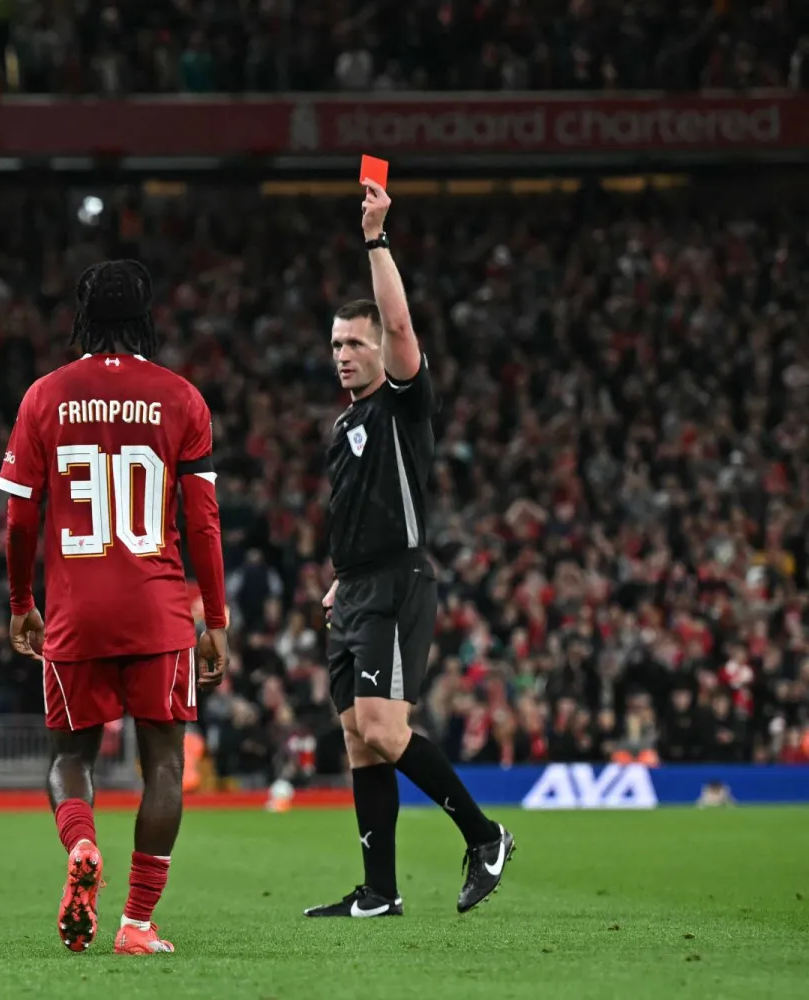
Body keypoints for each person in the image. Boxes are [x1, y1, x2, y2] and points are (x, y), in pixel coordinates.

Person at [0, 259, 229, 955]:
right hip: (158, 610)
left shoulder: (45, 396)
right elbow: (204, 522)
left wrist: (20, 601)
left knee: (71, 755)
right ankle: (135, 923)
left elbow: (18, 522)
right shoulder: (182, 398)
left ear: (83, 317)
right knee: (162, 762)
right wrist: (214, 618)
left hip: (76, 611)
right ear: (145, 318)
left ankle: (81, 843)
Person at [303, 182, 513, 920]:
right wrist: (339, 580)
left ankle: (485, 837)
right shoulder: (344, 424)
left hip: (398, 584)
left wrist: (375, 237)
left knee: (387, 731)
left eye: (354, 343)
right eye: (334, 345)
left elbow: (396, 316)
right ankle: (378, 892)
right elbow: (357, 514)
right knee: (360, 738)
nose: (342, 355)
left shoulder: (401, 400)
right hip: (358, 587)